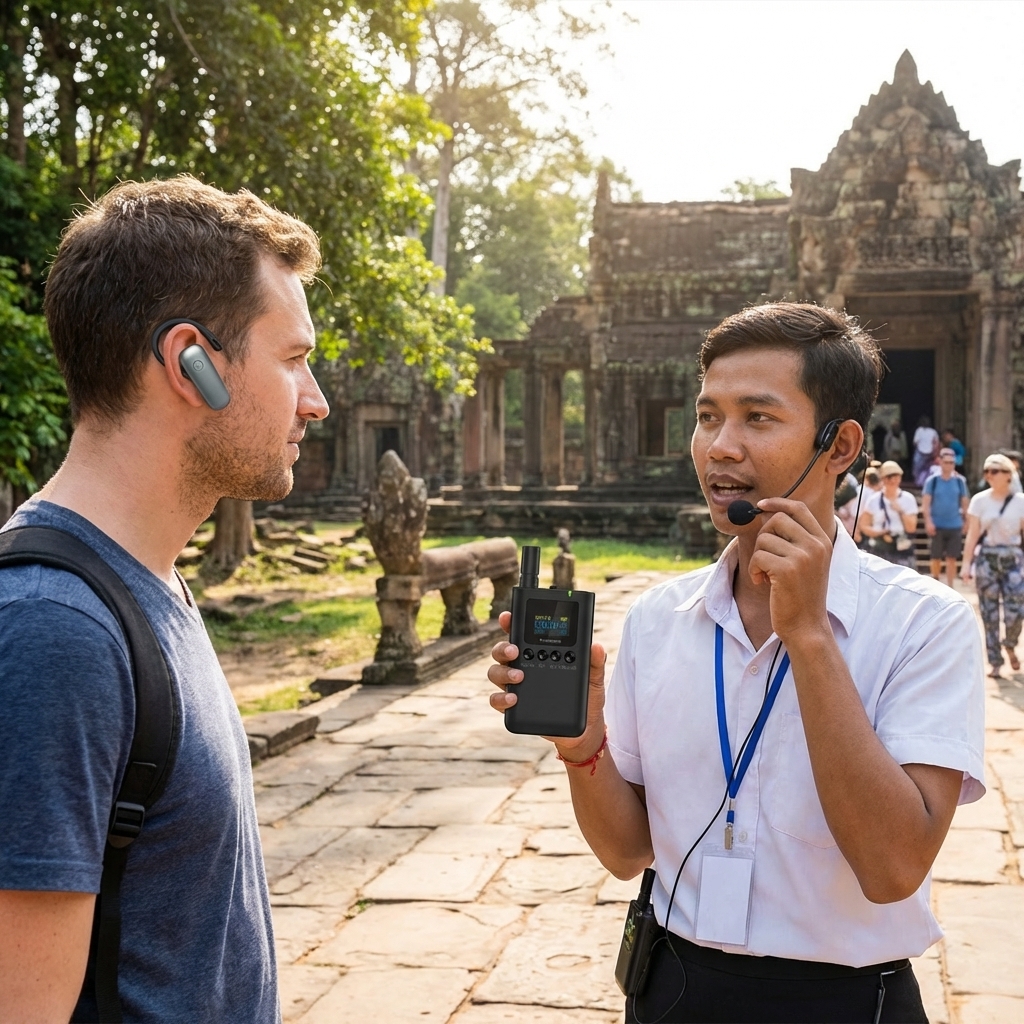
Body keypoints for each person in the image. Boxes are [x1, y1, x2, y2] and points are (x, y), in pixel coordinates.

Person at [487, 303, 983, 1024]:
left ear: (840, 446)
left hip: (844, 1000)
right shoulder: (661, 618)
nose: (720, 447)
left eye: (757, 418)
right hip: (674, 985)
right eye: (707, 417)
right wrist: (582, 744)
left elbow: (892, 869)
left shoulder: (922, 624)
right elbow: (626, 853)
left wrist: (809, 637)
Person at [0, 177, 329, 1021]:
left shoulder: (146, 584)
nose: (316, 400)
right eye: (293, 359)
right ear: (192, 362)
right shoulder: (54, 628)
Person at [961, 453, 1024, 678]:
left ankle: (1010, 643)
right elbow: (973, 534)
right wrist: (966, 564)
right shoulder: (979, 500)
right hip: (987, 557)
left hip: (1013, 558)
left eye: (994, 471)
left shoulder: (1021, 502)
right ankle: (995, 660)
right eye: (986, 471)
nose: (989, 475)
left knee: (1016, 610)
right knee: (989, 613)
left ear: (1008, 475)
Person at [858, 461, 920, 568]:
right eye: (889, 477)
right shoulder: (874, 500)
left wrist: (900, 511)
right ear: (883, 479)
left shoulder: (908, 499)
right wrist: (880, 533)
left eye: (896, 477)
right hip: (880, 545)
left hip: (901, 545)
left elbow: (911, 528)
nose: (892, 481)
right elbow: (863, 526)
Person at [922, 449, 969, 587]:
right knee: (935, 557)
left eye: (951, 463)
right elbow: (926, 504)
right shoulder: (932, 481)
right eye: (946, 462)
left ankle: (950, 586)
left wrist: (966, 521)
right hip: (937, 524)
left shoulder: (960, 481)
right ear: (940, 462)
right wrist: (928, 521)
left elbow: (965, 502)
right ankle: (935, 583)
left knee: (952, 558)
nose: (949, 465)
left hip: (955, 524)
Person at [912, 416, 940, 487]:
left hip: (920, 452)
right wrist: (934, 452)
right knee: (927, 469)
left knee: (918, 468)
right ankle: (926, 482)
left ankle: (918, 482)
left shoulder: (919, 430)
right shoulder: (933, 431)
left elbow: (915, 442)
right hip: (930, 453)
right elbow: (936, 443)